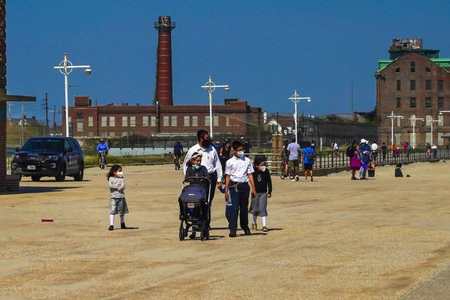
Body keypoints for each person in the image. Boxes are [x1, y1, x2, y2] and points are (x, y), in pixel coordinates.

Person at [224, 140, 256, 237]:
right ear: (233, 150)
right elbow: (228, 176)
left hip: (244, 185)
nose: (241, 152)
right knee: (234, 208)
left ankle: (245, 227)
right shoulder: (229, 162)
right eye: (239, 150)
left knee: (244, 208)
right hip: (234, 186)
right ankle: (233, 229)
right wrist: (226, 190)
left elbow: (250, 174)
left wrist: (253, 188)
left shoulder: (247, 161)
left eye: (242, 150)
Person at [183, 130, 223, 206]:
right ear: (201, 139)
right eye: (207, 138)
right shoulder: (193, 150)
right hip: (197, 178)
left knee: (208, 201)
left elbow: (217, 164)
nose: (209, 139)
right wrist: (188, 176)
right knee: (197, 199)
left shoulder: (212, 149)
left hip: (210, 178)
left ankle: (206, 216)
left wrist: (219, 179)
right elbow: (185, 164)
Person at [185, 152, 210, 239]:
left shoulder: (203, 168)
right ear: (193, 161)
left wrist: (204, 178)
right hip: (193, 191)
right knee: (192, 212)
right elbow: (187, 178)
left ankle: (203, 228)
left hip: (201, 191)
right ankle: (193, 231)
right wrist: (192, 178)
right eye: (197, 161)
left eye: (200, 161)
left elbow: (207, 176)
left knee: (202, 210)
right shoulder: (189, 169)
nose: (199, 163)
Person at [249, 155, 272, 232]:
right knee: (255, 209)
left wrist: (269, 192)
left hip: (263, 193)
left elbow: (269, 182)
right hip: (255, 192)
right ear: (256, 165)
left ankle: (264, 225)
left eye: (264, 165)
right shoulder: (253, 172)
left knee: (263, 209)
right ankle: (254, 223)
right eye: (261, 165)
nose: (263, 167)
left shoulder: (266, 171)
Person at [107, 165, 129, 231]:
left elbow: (123, 186)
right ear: (114, 172)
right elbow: (111, 186)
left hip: (121, 197)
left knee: (122, 211)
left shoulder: (121, 178)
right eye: (119, 171)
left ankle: (122, 223)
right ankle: (111, 225)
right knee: (112, 210)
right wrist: (118, 186)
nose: (121, 172)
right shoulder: (111, 178)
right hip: (113, 197)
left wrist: (118, 187)